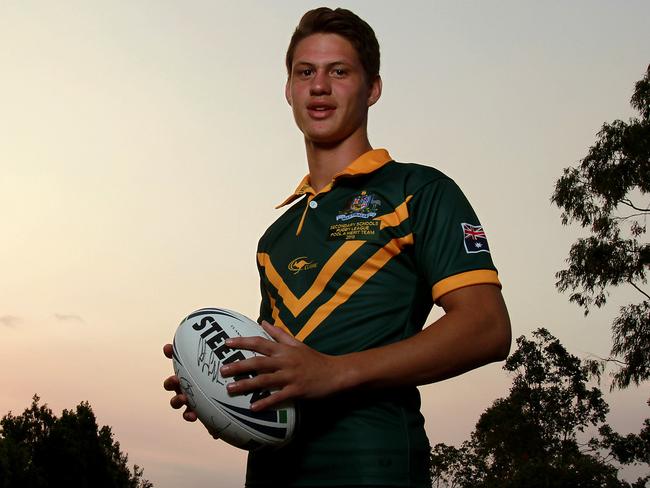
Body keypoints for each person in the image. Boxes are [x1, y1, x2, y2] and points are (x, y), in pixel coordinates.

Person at [164, 7, 511, 488]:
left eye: (339, 71)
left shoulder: (418, 190)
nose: (319, 86)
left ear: (373, 88)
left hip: (374, 465)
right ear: (288, 90)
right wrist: (220, 388)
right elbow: (279, 363)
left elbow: (488, 328)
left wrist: (335, 373)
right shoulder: (276, 236)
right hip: (272, 472)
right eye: (305, 72)